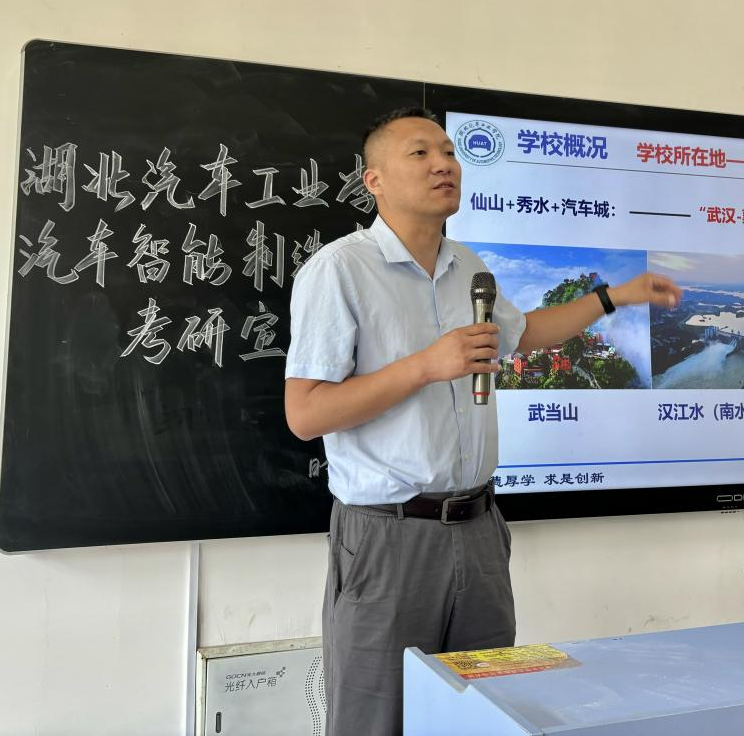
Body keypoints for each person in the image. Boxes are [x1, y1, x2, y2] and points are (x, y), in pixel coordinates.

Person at [284, 107, 681, 736]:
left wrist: (615, 296)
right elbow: (305, 413)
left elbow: (526, 334)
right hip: (388, 535)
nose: (444, 164)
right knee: (375, 721)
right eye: (420, 153)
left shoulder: (469, 267)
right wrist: (426, 365)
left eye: (449, 152)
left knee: (482, 715)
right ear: (374, 180)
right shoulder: (340, 270)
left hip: (480, 528)